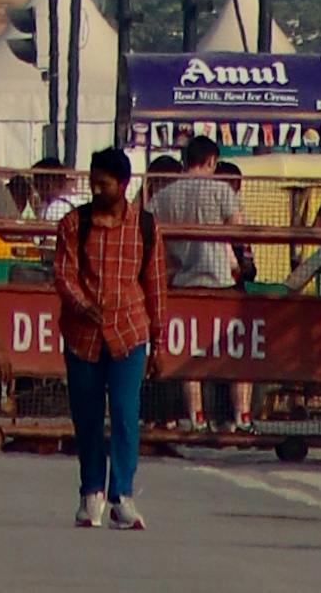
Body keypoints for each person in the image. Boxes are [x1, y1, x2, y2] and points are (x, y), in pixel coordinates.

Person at [51, 142, 167, 531]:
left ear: (123, 183)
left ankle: (122, 496)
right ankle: (91, 494)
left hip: (129, 332)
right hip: (82, 334)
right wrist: (83, 304)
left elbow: (155, 285)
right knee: (86, 417)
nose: (97, 191)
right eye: (92, 183)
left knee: (124, 413)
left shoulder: (146, 227)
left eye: (104, 184)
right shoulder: (74, 223)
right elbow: (63, 274)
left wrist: (159, 341)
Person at [149, 133, 240, 433]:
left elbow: (149, 235)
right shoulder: (221, 190)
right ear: (211, 161)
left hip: (183, 282)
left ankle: (195, 415)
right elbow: (238, 228)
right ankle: (238, 417)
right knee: (231, 349)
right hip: (219, 280)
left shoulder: (163, 197)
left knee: (189, 348)